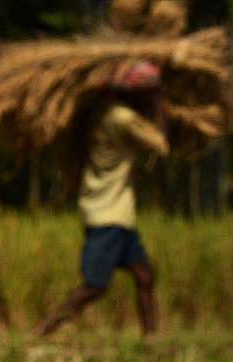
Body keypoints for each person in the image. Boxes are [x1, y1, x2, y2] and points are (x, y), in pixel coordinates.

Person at [33, 60, 169, 336]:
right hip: (107, 215)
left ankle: (151, 339)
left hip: (117, 214)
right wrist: (159, 103)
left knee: (144, 275)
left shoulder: (103, 112)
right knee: (95, 286)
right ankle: (41, 331)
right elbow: (160, 143)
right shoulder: (121, 118)